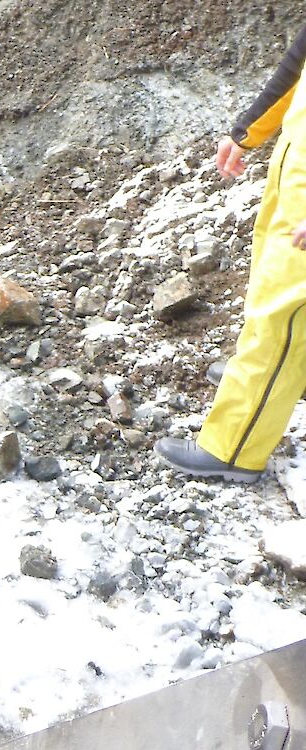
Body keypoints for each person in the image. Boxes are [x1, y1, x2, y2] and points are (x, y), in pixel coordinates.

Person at [154, 23, 306, 484]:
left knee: (278, 319)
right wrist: (246, 132)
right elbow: (298, 63)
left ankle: (234, 447)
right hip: (295, 171)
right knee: (271, 285)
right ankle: (271, 380)